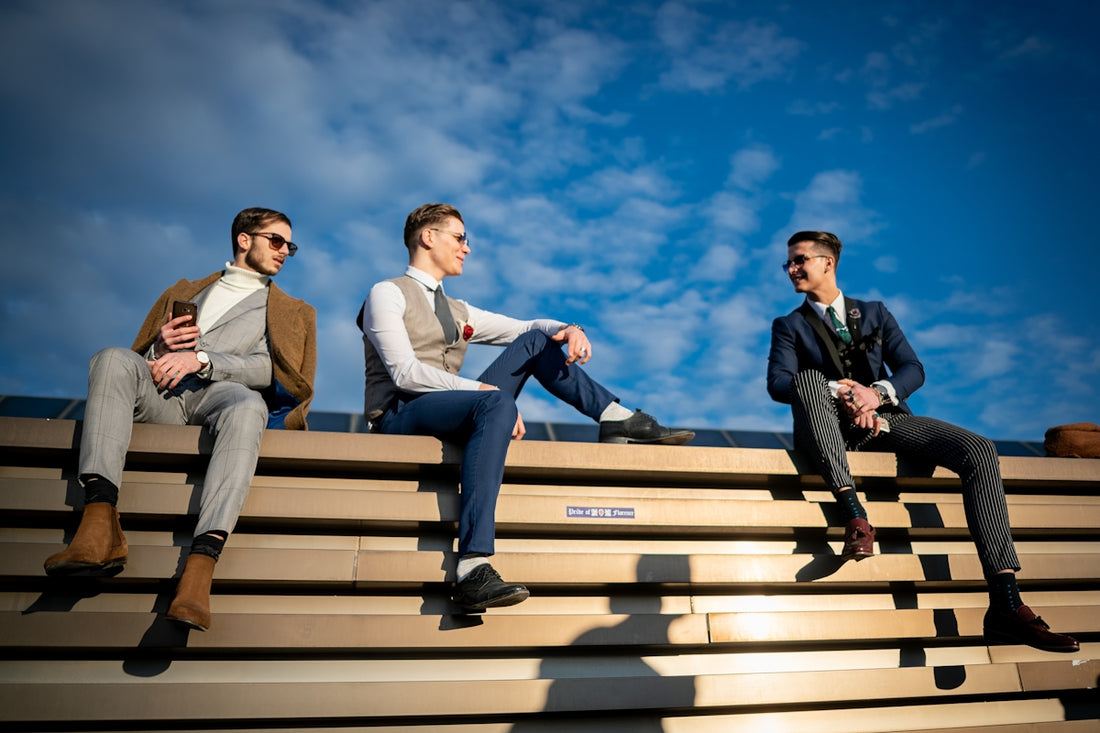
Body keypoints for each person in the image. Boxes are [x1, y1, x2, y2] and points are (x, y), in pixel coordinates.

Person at [357, 203, 694, 612]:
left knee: (535, 343)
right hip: (401, 415)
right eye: (460, 237)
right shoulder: (386, 292)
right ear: (428, 237)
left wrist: (570, 329)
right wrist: (483, 391)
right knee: (496, 400)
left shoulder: (458, 309)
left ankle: (614, 417)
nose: (467, 248)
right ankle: (472, 567)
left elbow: (526, 329)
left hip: (458, 408)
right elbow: (404, 373)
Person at [766, 230, 1078, 653]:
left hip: (884, 425)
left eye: (800, 260)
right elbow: (780, 383)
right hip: (826, 430)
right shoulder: (789, 325)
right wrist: (840, 391)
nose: (792, 269)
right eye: (789, 263)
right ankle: (855, 515)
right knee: (805, 379)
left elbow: (912, 368)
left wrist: (874, 394)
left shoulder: (874, 312)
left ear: (827, 262)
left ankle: (1006, 602)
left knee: (979, 449)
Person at [44, 207, 317, 632]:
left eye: (290, 246)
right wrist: (159, 345)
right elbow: (143, 358)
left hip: (222, 395)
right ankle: (98, 524)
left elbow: (273, 369)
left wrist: (203, 359)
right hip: (163, 395)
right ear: (244, 239)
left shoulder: (291, 310)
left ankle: (199, 569)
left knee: (250, 406)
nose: (285, 251)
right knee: (112, 357)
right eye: (276, 241)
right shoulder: (185, 290)